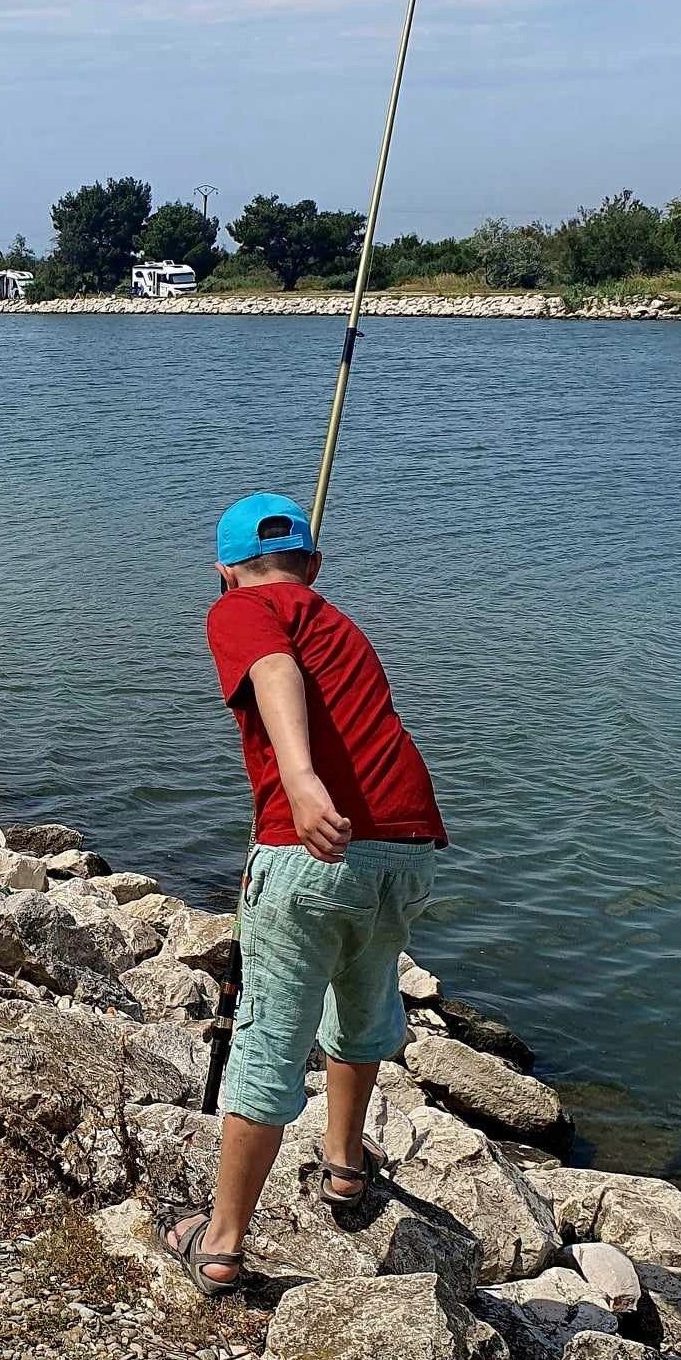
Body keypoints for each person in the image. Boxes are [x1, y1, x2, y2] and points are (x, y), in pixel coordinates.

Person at [161, 492, 447, 1296]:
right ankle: (346, 1164)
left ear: (222, 571)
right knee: (362, 998)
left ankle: (219, 1243)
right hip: (408, 844)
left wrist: (299, 778)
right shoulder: (336, 620)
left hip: (310, 848)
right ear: (314, 565)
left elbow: (274, 670)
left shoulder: (240, 609)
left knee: (271, 1037)